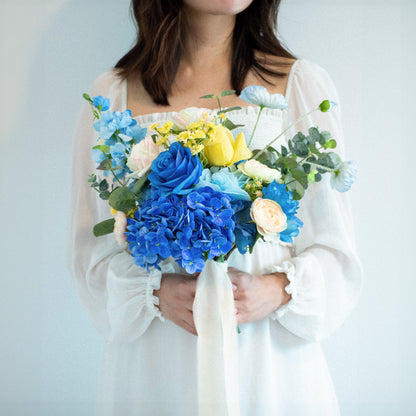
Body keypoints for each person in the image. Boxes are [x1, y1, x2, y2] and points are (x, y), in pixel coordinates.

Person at [67, 0, 363, 415]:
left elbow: (337, 249)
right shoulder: (109, 96)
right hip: (159, 365)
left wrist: (277, 290)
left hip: (269, 366)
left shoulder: (301, 86)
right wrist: (152, 294)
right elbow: (91, 255)